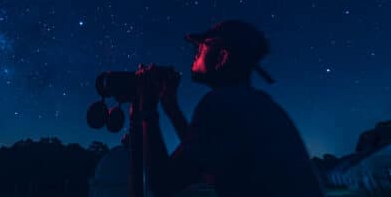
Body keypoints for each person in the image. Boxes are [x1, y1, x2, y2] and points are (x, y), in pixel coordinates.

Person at [136, 20, 325, 197]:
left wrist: (147, 109)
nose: (196, 52)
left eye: (202, 46)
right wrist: (171, 107)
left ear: (221, 57)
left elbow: (163, 184)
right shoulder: (256, 103)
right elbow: (208, 169)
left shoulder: (220, 104)